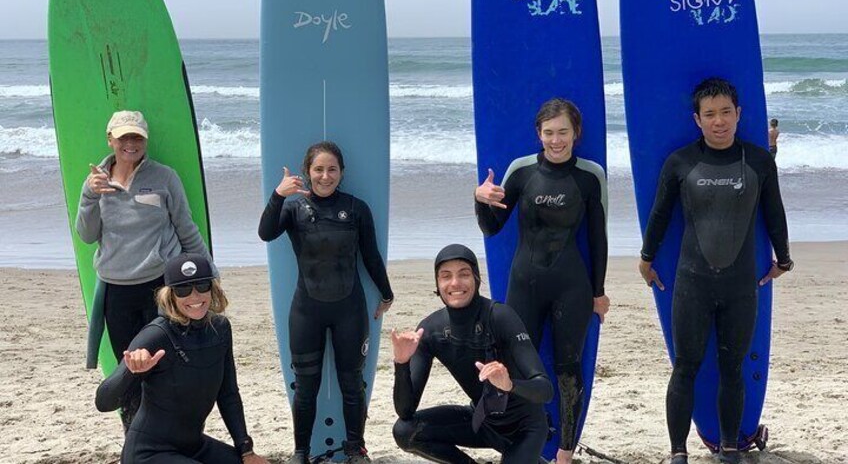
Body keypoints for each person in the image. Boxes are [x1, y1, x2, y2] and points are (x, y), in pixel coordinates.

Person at [637, 78, 793, 464]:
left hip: (741, 287)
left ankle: (729, 448)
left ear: (738, 114)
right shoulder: (681, 162)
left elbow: (774, 212)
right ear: (697, 119)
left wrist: (784, 259)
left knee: (732, 368)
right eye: (710, 114)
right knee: (685, 367)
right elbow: (660, 214)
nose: (719, 121)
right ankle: (677, 452)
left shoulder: (759, 161)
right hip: (692, 284)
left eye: (726, 112)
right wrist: (646, 258)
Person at [473, 98, 609, 464]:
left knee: (567, 369)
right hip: (525, 284)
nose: (556, 140)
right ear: (539, 134)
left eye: (563, 131)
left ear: (575, 133)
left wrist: (598, 292)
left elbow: (598, 238)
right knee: (516, 368)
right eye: (549, 132)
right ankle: (523, 445)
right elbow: (492, 227)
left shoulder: (590, 176)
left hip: (572, 287)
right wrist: (479, 199)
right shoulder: (521, 171)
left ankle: (565, 452)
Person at [77, 110, 216, 430]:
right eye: (123, 137)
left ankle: (174, 436)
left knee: (168, 367)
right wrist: (88, 195)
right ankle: (136, 439)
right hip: (116, 291)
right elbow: (86, 236)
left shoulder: (165, 177)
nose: (130, 143)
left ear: (145, 140)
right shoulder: (97, 181)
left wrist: (209, 276)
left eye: (136, 136)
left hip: (160, 288)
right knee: (130, 371)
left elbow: (186, 228)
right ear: (110, 139)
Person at [258, 141, 393, 464]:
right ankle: (300, 452)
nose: (325, 175)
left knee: (352, 384)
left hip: (350, 309)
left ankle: (355, 449)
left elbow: (371, 256)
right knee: (306, 388)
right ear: (307, 172)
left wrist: (387, 293)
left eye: (332, 169)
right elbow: (265, 233)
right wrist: (278, 194)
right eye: (318, 169)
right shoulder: (293, 208)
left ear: (342, 173)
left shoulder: (357, 208)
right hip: (307, 311)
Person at [95, 253, 269, 464]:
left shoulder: (220, 329)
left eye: (202, 286)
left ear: (212, 288)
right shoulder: (155, 335)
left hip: (194, 446)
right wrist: (131, 372)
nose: (195, 297)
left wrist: (246, 450)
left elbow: (228, 393)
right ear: (170, 295)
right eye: (183, 289)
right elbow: (103, 402)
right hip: (148, 453)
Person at [391, 244, 553, 464]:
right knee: (405, 431)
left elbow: (545, 390)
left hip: (525, 428)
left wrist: (510, 385)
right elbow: (405, 411)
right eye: (445, 276)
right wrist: (401, 363)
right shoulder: (430, 330)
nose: (455, 283)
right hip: (482, 421)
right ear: (438, 284)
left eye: (464, 274)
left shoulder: (501, 317)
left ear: (476, 279)